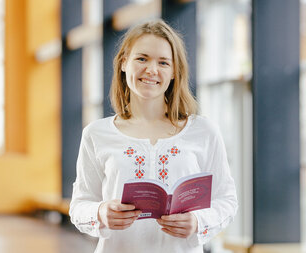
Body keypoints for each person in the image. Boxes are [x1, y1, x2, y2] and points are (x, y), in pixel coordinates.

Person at [69, 19, 237, 253]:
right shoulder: (96, 134)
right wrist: (100, 213)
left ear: (174, 72)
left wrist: (198, 222)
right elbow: (79, 205)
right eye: (142, 58)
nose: (151, 70)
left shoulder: (204, 131)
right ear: (123, 63)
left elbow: (226, 200)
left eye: (163, 62)